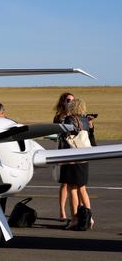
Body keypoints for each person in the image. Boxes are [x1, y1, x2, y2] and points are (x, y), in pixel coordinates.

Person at [60, 98, 96, 230]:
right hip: (84, 157)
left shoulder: (70, 119)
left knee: (72, 189)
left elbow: (65, 136)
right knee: (82, 188)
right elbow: (91, 136)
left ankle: (74, 218)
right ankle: (89, 217)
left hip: (73, 156)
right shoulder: (86, 120)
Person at [53, 92, 74, 222]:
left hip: (75, 149)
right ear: (63, 102)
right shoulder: (59, 117)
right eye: (68, 100)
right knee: (65, 183)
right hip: (63, 150)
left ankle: (76, 212)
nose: (70, 102)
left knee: (76, 184)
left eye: (72, 100)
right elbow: (57, 131)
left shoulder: (76, 115)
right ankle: (62, 211)